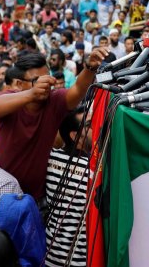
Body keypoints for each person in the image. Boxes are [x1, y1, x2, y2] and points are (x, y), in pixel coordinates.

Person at [0, 48, 106, 200]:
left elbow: (77, 89)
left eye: (47, 79)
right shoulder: (10, 99)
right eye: (37, 81)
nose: (44, 85)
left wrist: (89, 68)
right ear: (19, 84)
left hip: (35, 196)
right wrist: (32, 93)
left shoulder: (54, 101)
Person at [45, 113, 91, 267]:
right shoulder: (94, 168)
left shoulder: (50, 158)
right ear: (74, 135)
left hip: (49, 255)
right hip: (80, 260)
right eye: (89, 125)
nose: (95, 127)